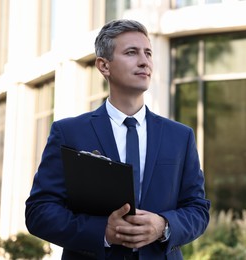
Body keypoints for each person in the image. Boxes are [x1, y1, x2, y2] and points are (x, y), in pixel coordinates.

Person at [25, 19, 210, 260]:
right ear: (104, 66)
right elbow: (39, 212)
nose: (144, 61)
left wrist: (163, 225)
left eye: (148, 53)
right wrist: (102, 231)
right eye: (131, 52)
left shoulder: (180, 137)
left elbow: (197, 209)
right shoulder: (69, 132)